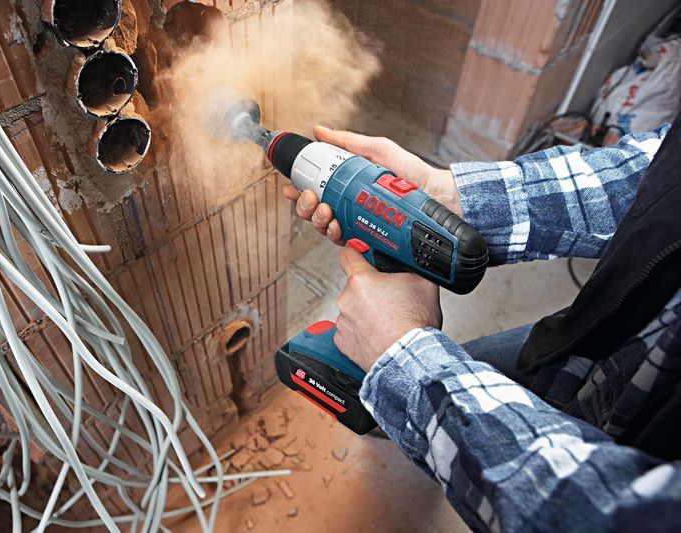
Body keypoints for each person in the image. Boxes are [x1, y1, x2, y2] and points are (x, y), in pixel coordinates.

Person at [285, 115, 681, 531]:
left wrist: (402, 353)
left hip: (634, 433)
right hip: (601, 342)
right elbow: (655, 173)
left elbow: (595, 513)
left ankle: (396, 408)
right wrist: (451, 196)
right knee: (469, 368)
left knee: (417, 396)